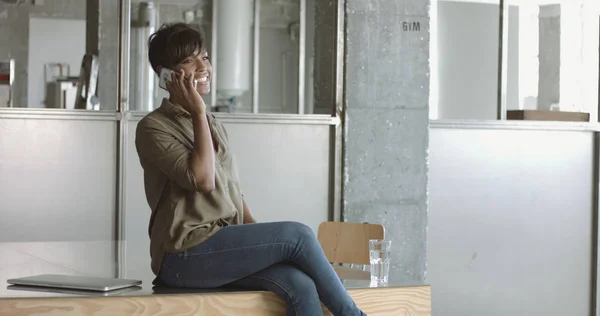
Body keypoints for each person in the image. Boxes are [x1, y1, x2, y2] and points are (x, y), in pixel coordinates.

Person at [135, 22, 366, 316]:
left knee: (300, 284)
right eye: (188, 60)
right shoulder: (153, 127)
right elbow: (203, 179)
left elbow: (231, 189)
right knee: (298, 235)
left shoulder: (210, 122)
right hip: (184, 256)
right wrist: (196, 111)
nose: (202, 66)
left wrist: (262, 240)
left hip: (219, 247)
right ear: (167, 75)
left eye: (204, 57)